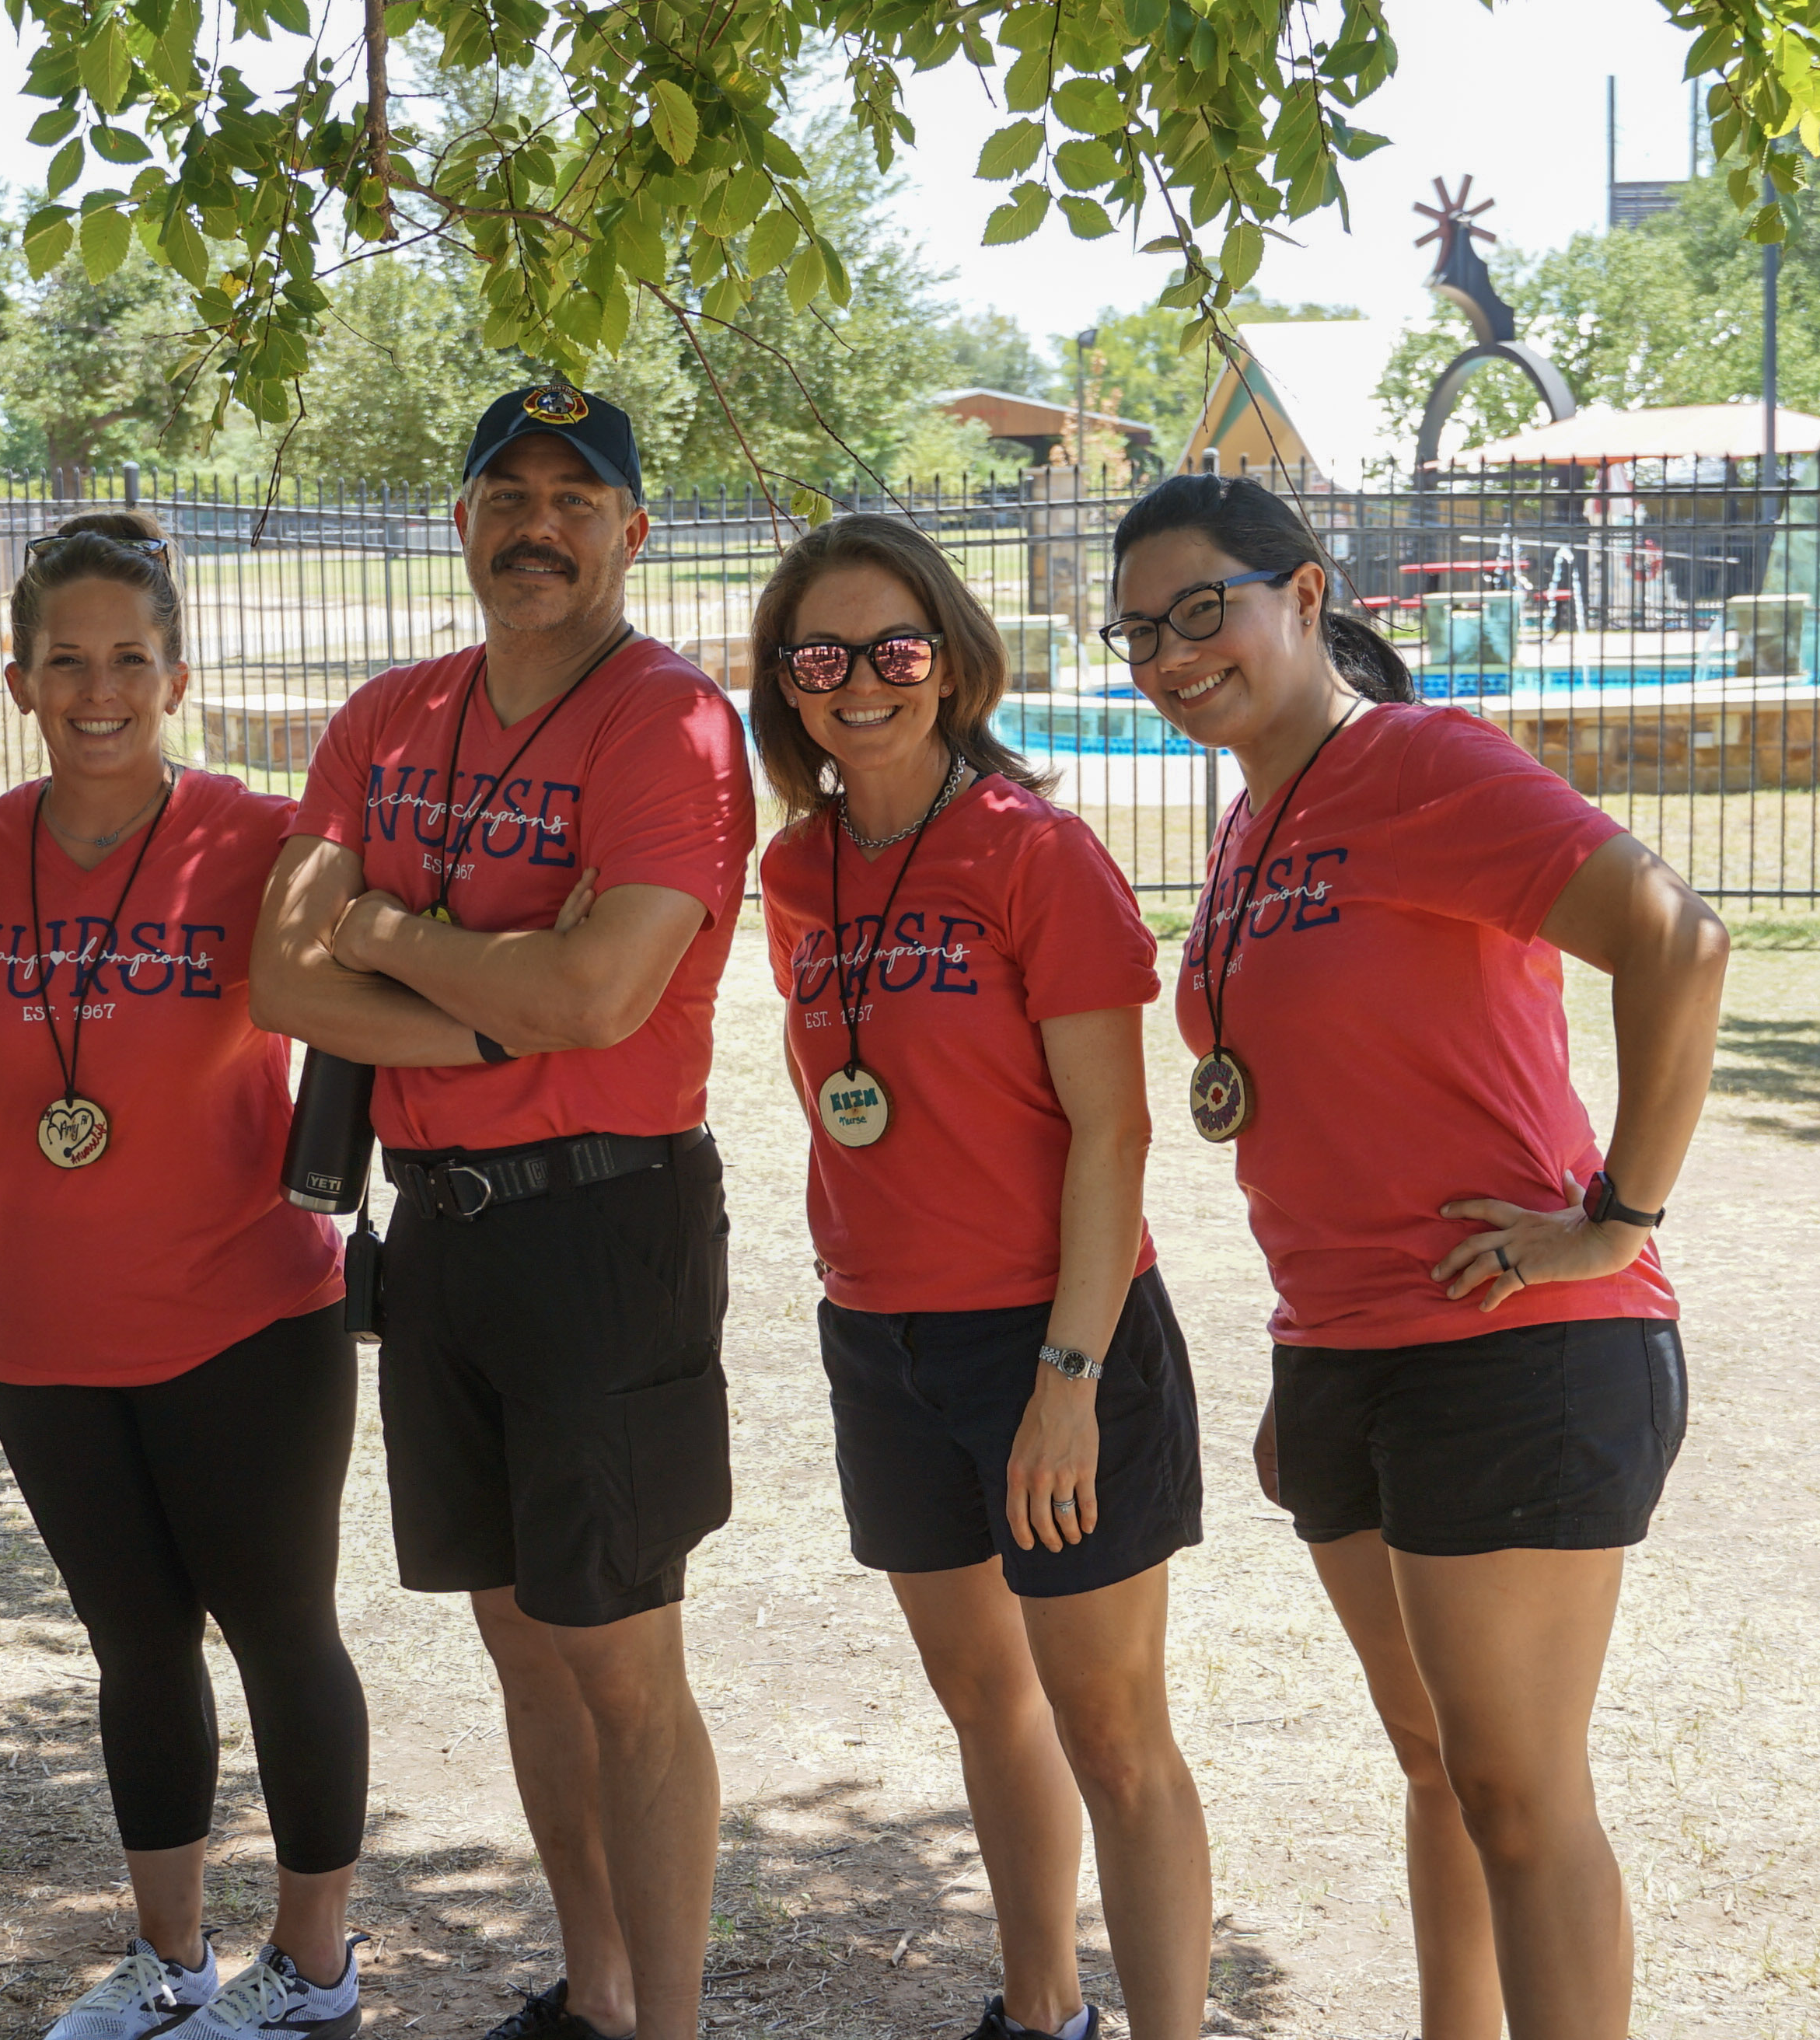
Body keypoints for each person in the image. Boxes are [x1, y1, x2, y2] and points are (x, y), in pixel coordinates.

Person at [1107, 473, 1727, 2040]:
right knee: (1440, 1767)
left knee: (1517, 1789)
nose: (1170, 656)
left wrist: (1616, 1218)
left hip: (1518, 1348)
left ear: (1306, 596)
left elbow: (1677, 937)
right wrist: (1305, 1350)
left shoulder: (1419, 763)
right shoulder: (1254, 821)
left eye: (1201, 611)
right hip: (1349, 1351)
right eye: (1139, 633)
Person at [251, 386, 753, 2040]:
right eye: (508, 494)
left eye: (576, 498)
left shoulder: (672, 723)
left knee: (620, 1654)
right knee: (522, 1641)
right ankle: (597, 1999)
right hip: (439, 1231)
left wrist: (387, 934)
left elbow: (602, 997)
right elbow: (281, 976)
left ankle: (669, 2027)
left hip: (607, 1223)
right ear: (460, 518)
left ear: (632, 530)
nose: (540, 525)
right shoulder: (387, 716)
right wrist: (496, 1004)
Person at [749, 515, 1211, 2040]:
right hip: (879, 1341)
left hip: (1052, 1341)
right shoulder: (795, 870)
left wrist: (1068, 1383)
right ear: (785, 682)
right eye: (822, 656)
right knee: (985, 1705)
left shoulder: (1033, 850)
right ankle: (1041, 2012)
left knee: (1112, 1732)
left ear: (949, 663)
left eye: (895, 649)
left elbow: (1113, 1130)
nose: (860, 682)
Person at [0, 512, 368, 2040]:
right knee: (135, 1649)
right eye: (66, 662)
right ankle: (170, 1959)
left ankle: (312, 1966)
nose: (99, 690)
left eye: (130, 659)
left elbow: (406, 925)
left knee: (281, 1634)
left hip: (247, 1314)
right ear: (19, 681)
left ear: (176, 677)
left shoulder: (256, 837)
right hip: (37, 1327)